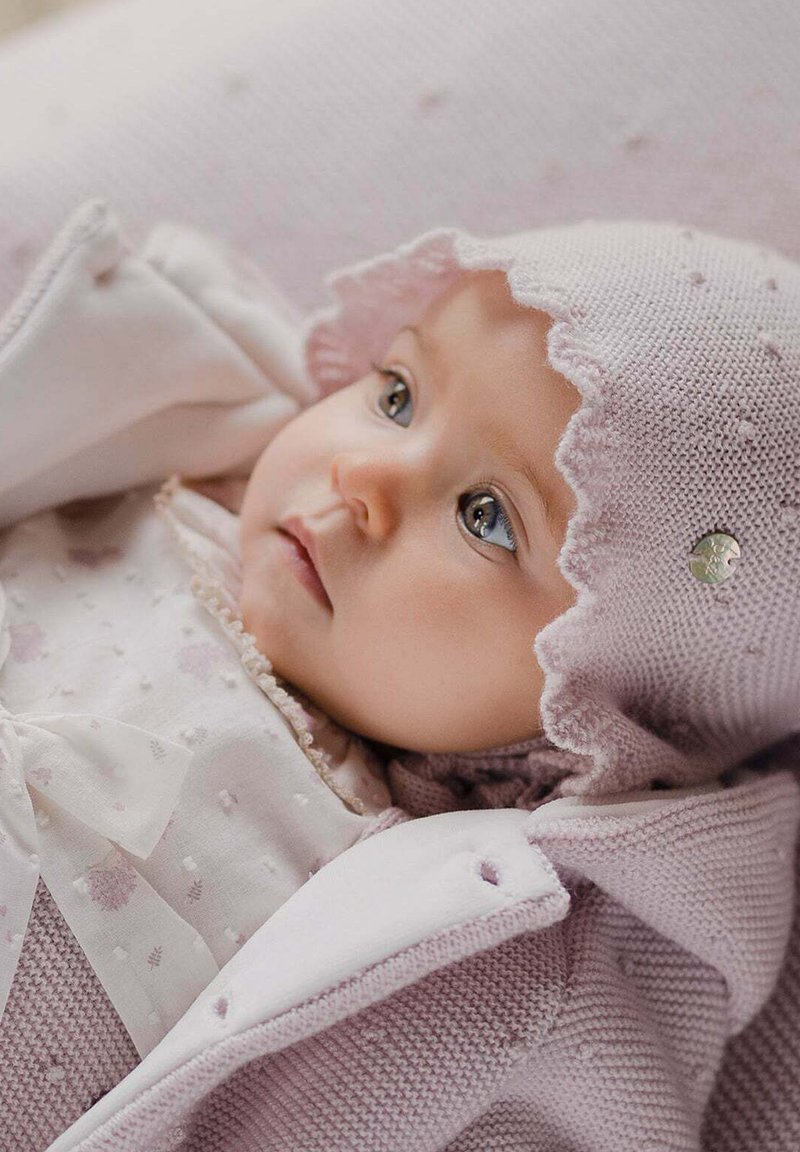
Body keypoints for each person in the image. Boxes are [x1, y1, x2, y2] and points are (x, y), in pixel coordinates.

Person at [0, 200, 798, 1151]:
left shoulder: (453, 940)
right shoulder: (141, 457)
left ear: (586, 722)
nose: (364, 476)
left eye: (487, 516)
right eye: (398, 395)